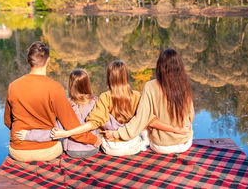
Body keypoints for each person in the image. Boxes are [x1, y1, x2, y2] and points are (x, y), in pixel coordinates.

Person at [51, 60, 185, 156]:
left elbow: (92, 124)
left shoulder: (104, 97)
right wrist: (175, 129)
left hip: (111, 148)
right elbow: (151, 121)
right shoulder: (138, 96)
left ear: (108, 79)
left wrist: (67, 133)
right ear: (126, 78)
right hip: (133, 146)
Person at [4, 42, 101, 162]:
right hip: (47, 150)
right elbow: (71, 125)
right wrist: (94, 140)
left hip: (18, 151)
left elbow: (8, 122)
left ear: (28, 61)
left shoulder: (13, 86)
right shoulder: (55, 88)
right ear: (48, 60)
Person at [103, 49, 194, 154]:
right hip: (185, 143)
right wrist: (178, 129)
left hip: (162, 146)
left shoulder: (151, 86)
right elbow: (191, 117)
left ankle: (142, 144)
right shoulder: (184, 85)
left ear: (160, 66)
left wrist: (116, 134)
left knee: (143, 123)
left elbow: (141, 120)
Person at [15, 69, 115, 158]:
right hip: (93, 149)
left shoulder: (65, 104)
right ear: (87, 84)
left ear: (71, 86)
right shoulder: (97, 102)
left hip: (72, 151)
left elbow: (54, 133)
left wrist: (28, 135)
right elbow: (108, 124)